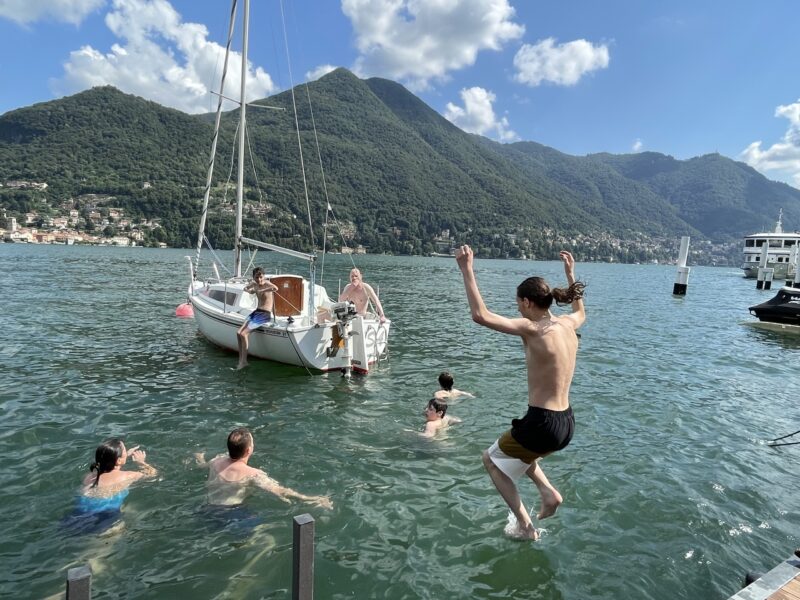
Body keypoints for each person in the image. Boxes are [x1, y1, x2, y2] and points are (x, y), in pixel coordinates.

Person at [456, 245, 585, 540]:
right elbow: (579, 309)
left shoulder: (533, 328)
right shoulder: (568, 324)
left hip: (542, 422)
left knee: (490, 460)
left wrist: (467, 270)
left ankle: (526, 527)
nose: (516, 308)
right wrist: (570, 274)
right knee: (519, 453)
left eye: (517, 303)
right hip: (566, 423)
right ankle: (547, 492)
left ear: (527, 302)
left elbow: (480, 315)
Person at [195, 427, 332, 509]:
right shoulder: (253, 474)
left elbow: (202, 466)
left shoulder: (216, 461)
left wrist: (199, 457)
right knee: (268, 541)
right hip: (231, 514)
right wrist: (314, 499)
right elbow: (280, 491)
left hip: (207, 508)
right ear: (249, 450)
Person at [66, 438, 157, 534]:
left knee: (130, 509)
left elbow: (109, 470)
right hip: (104, 521)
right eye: (125, 451)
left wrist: (122, 458)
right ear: (118, 460)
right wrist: (141, 462)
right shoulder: (129, 476)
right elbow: (154, 475)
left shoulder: (89, 476)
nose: (126, 452)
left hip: (75, 519)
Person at [237, 267, 279, 369]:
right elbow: (245, 288)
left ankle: (244, 361)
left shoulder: (267, 284)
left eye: (261, 277)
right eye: (256, 277)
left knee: (243, 334)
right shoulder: (254, 284)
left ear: (264, 276)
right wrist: (250, 290)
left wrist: (263, 289)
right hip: (256, 312)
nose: (259, 280)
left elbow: (276, 288)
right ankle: (241, 359)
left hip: (264, 314)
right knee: (238, 333)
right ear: (254, 277)